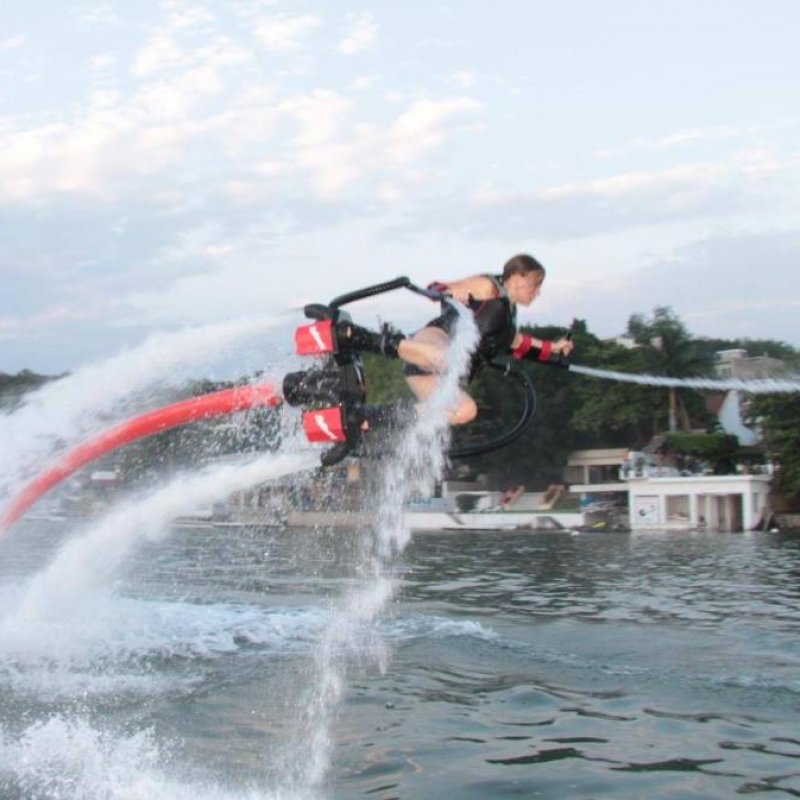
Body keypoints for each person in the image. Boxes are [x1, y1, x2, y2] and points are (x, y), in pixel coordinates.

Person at [338, 253, 574, 427]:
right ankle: (356, 336)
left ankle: (368, 417)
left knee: (465, 410)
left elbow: (518, 344)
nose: (537, 292)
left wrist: (554, 348)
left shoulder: (509, 318)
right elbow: (436, 287)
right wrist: (452, 292)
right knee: (449, 359)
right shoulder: (487, 286)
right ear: (517, 277)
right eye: (535, 285)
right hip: (437, 341)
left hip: (429, 375)